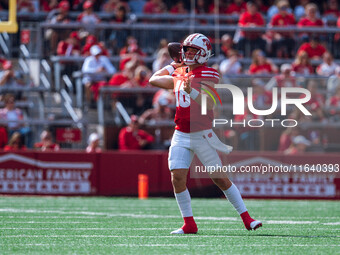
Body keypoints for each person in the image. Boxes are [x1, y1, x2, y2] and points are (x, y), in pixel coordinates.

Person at [149, 33, 262, 234]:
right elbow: (153, 80)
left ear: (204, 54)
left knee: (219, 177)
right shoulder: (180, 72)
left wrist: (190, 89)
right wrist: (174, 66)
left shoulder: (210, 74)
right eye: (187, 50)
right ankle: (189, 224)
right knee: (177, 178)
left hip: (202, 133)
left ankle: (247, 218)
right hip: (181, 134)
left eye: (194, 51)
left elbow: (208, 103)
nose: (189, 54)